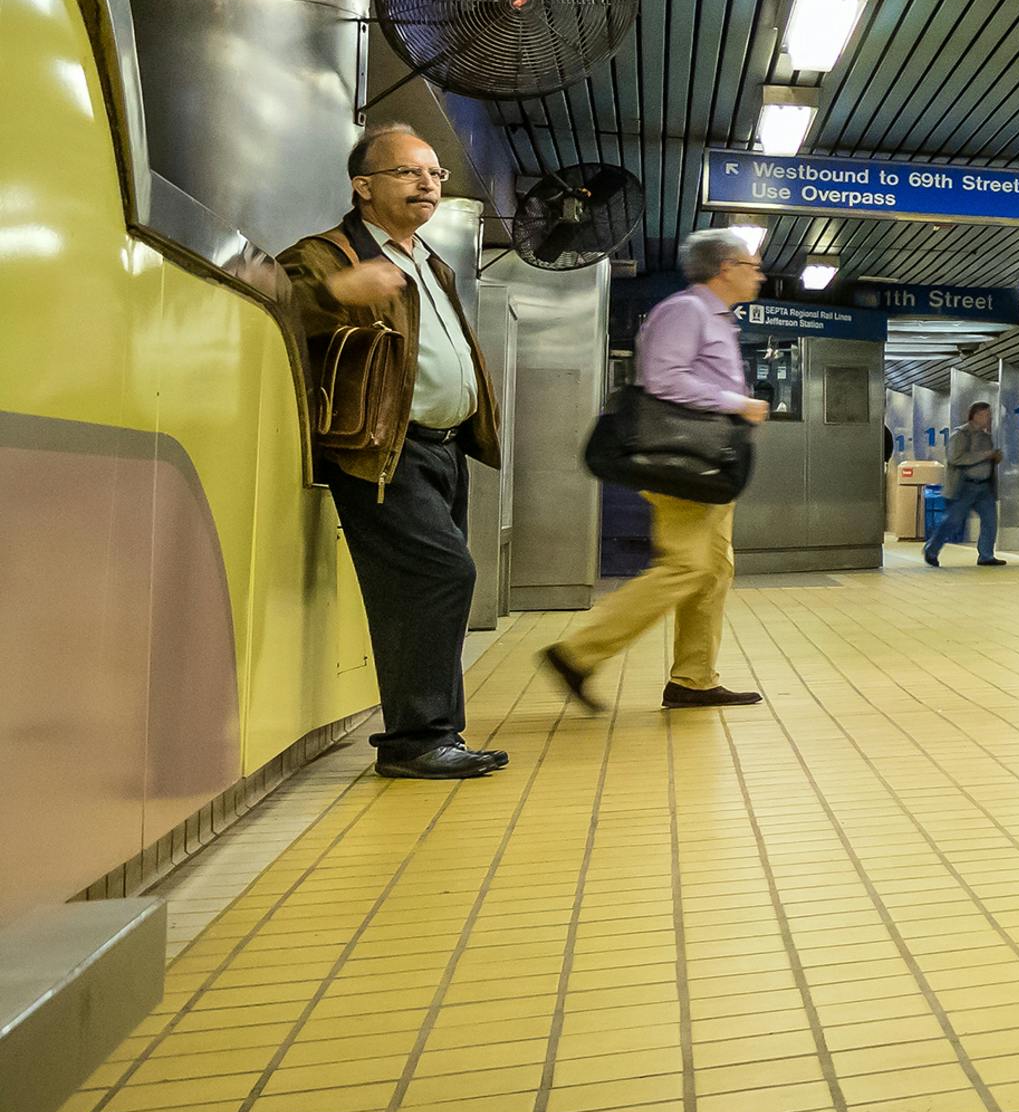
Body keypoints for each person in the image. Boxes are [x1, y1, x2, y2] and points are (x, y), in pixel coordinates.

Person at [273, 125, 509, 780]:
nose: (428, 183)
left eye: (434, 173)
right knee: (440, 575)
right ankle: (418, 740)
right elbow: (271, 301)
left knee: (429, 584)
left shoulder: (430, 262)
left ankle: (435, 734)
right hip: (381, 447)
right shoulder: (328, 254)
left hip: (442, 449)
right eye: (409, 173)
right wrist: (333, 296)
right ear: (364, 186)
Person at [540, 231, 771, 711]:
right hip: (683, 460)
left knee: (713, 573)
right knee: (686, 566)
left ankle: (694, 678)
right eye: (753, 265)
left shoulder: (718, 319)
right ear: (725, 267)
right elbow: (664, 380)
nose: (760, 275)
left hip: (708, 462)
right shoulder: (685, 311)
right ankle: (576, 654)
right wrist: (737, 402)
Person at [929, 401, 1007, 567]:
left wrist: (995, 458)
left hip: (985, 486)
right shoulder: (960, 435)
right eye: (987, 415)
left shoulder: (987, 437)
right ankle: (932, 549)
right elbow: (955, 458)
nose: (990, 418)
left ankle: (986, 555)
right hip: (964, 486)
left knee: (990, 520)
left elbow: (987, 458)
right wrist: (985, 455)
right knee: (953, 521)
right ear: (976, 415)